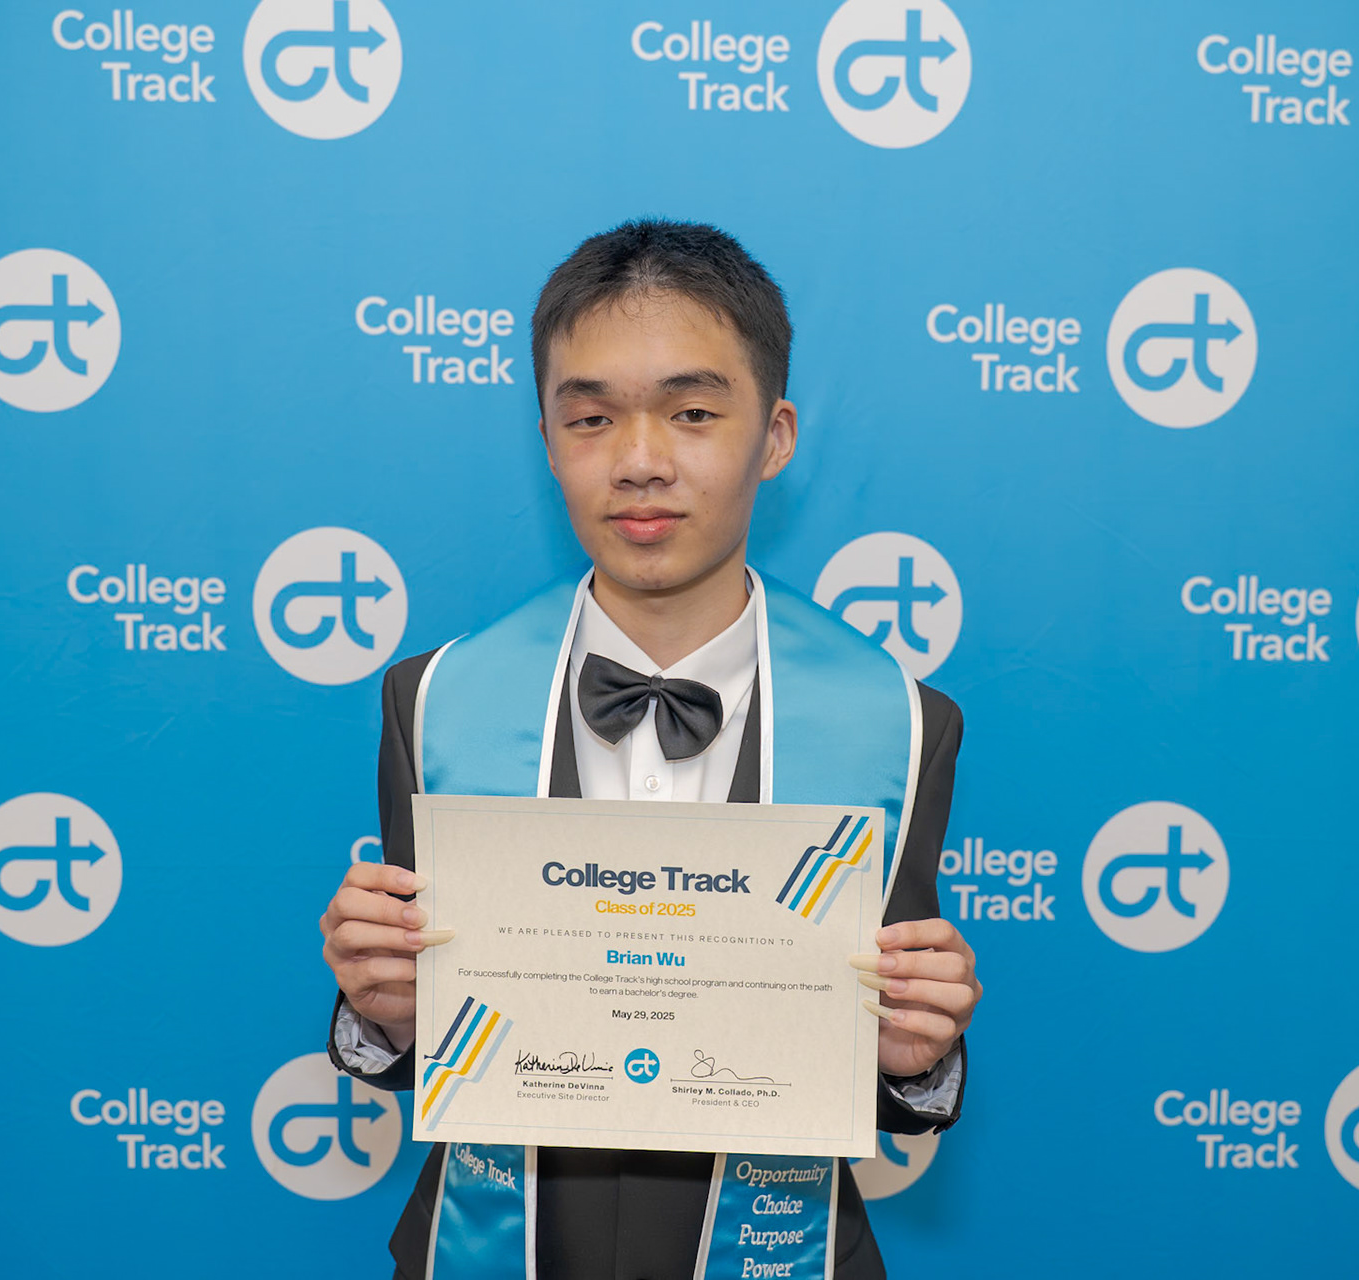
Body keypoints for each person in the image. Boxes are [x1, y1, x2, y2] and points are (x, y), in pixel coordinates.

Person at [320, 219, 981, 1280]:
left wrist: (913, 1058)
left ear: (775, 435)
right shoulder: (436, 700)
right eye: (591, 418)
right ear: (547, 439)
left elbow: (876, 1063)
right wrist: (384, 1011)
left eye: (693, 413)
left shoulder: (895, 722)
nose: (639, 462)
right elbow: (432, 1044)